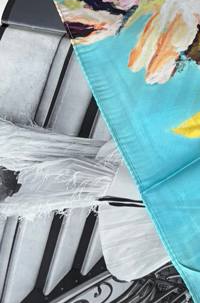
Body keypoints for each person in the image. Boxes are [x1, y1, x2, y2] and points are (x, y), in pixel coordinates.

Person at [0, 116, 168, 279]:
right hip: (152, 177)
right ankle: (15, 158)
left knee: (89, 176)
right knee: (89, 164)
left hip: (144, 195)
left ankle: (17, 180)